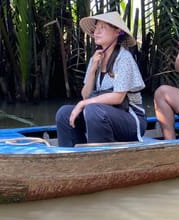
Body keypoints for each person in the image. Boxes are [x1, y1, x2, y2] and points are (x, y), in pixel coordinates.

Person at [56, 11, 146, 146]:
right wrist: (92, 69)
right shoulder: (95, 58)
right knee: (64, 113)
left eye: (102, 28)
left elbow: (118, 98)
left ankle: (98, 158)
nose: (96, 32)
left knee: (93, 110)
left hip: (131, 119)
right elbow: (86, 95)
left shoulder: (124, 58)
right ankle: (74, 156)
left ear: (117, 32)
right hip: (101, 115)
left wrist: (82, 104)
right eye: (96, 28)